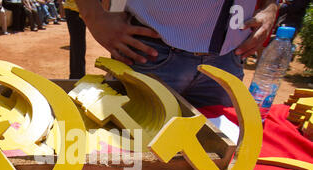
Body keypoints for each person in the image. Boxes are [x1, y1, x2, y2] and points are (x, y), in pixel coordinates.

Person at [74, 0, 279, 108]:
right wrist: (94, 15)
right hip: (151, 52)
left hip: (229, 59)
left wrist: (271, 5)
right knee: (127, 157)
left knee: (212, 157)